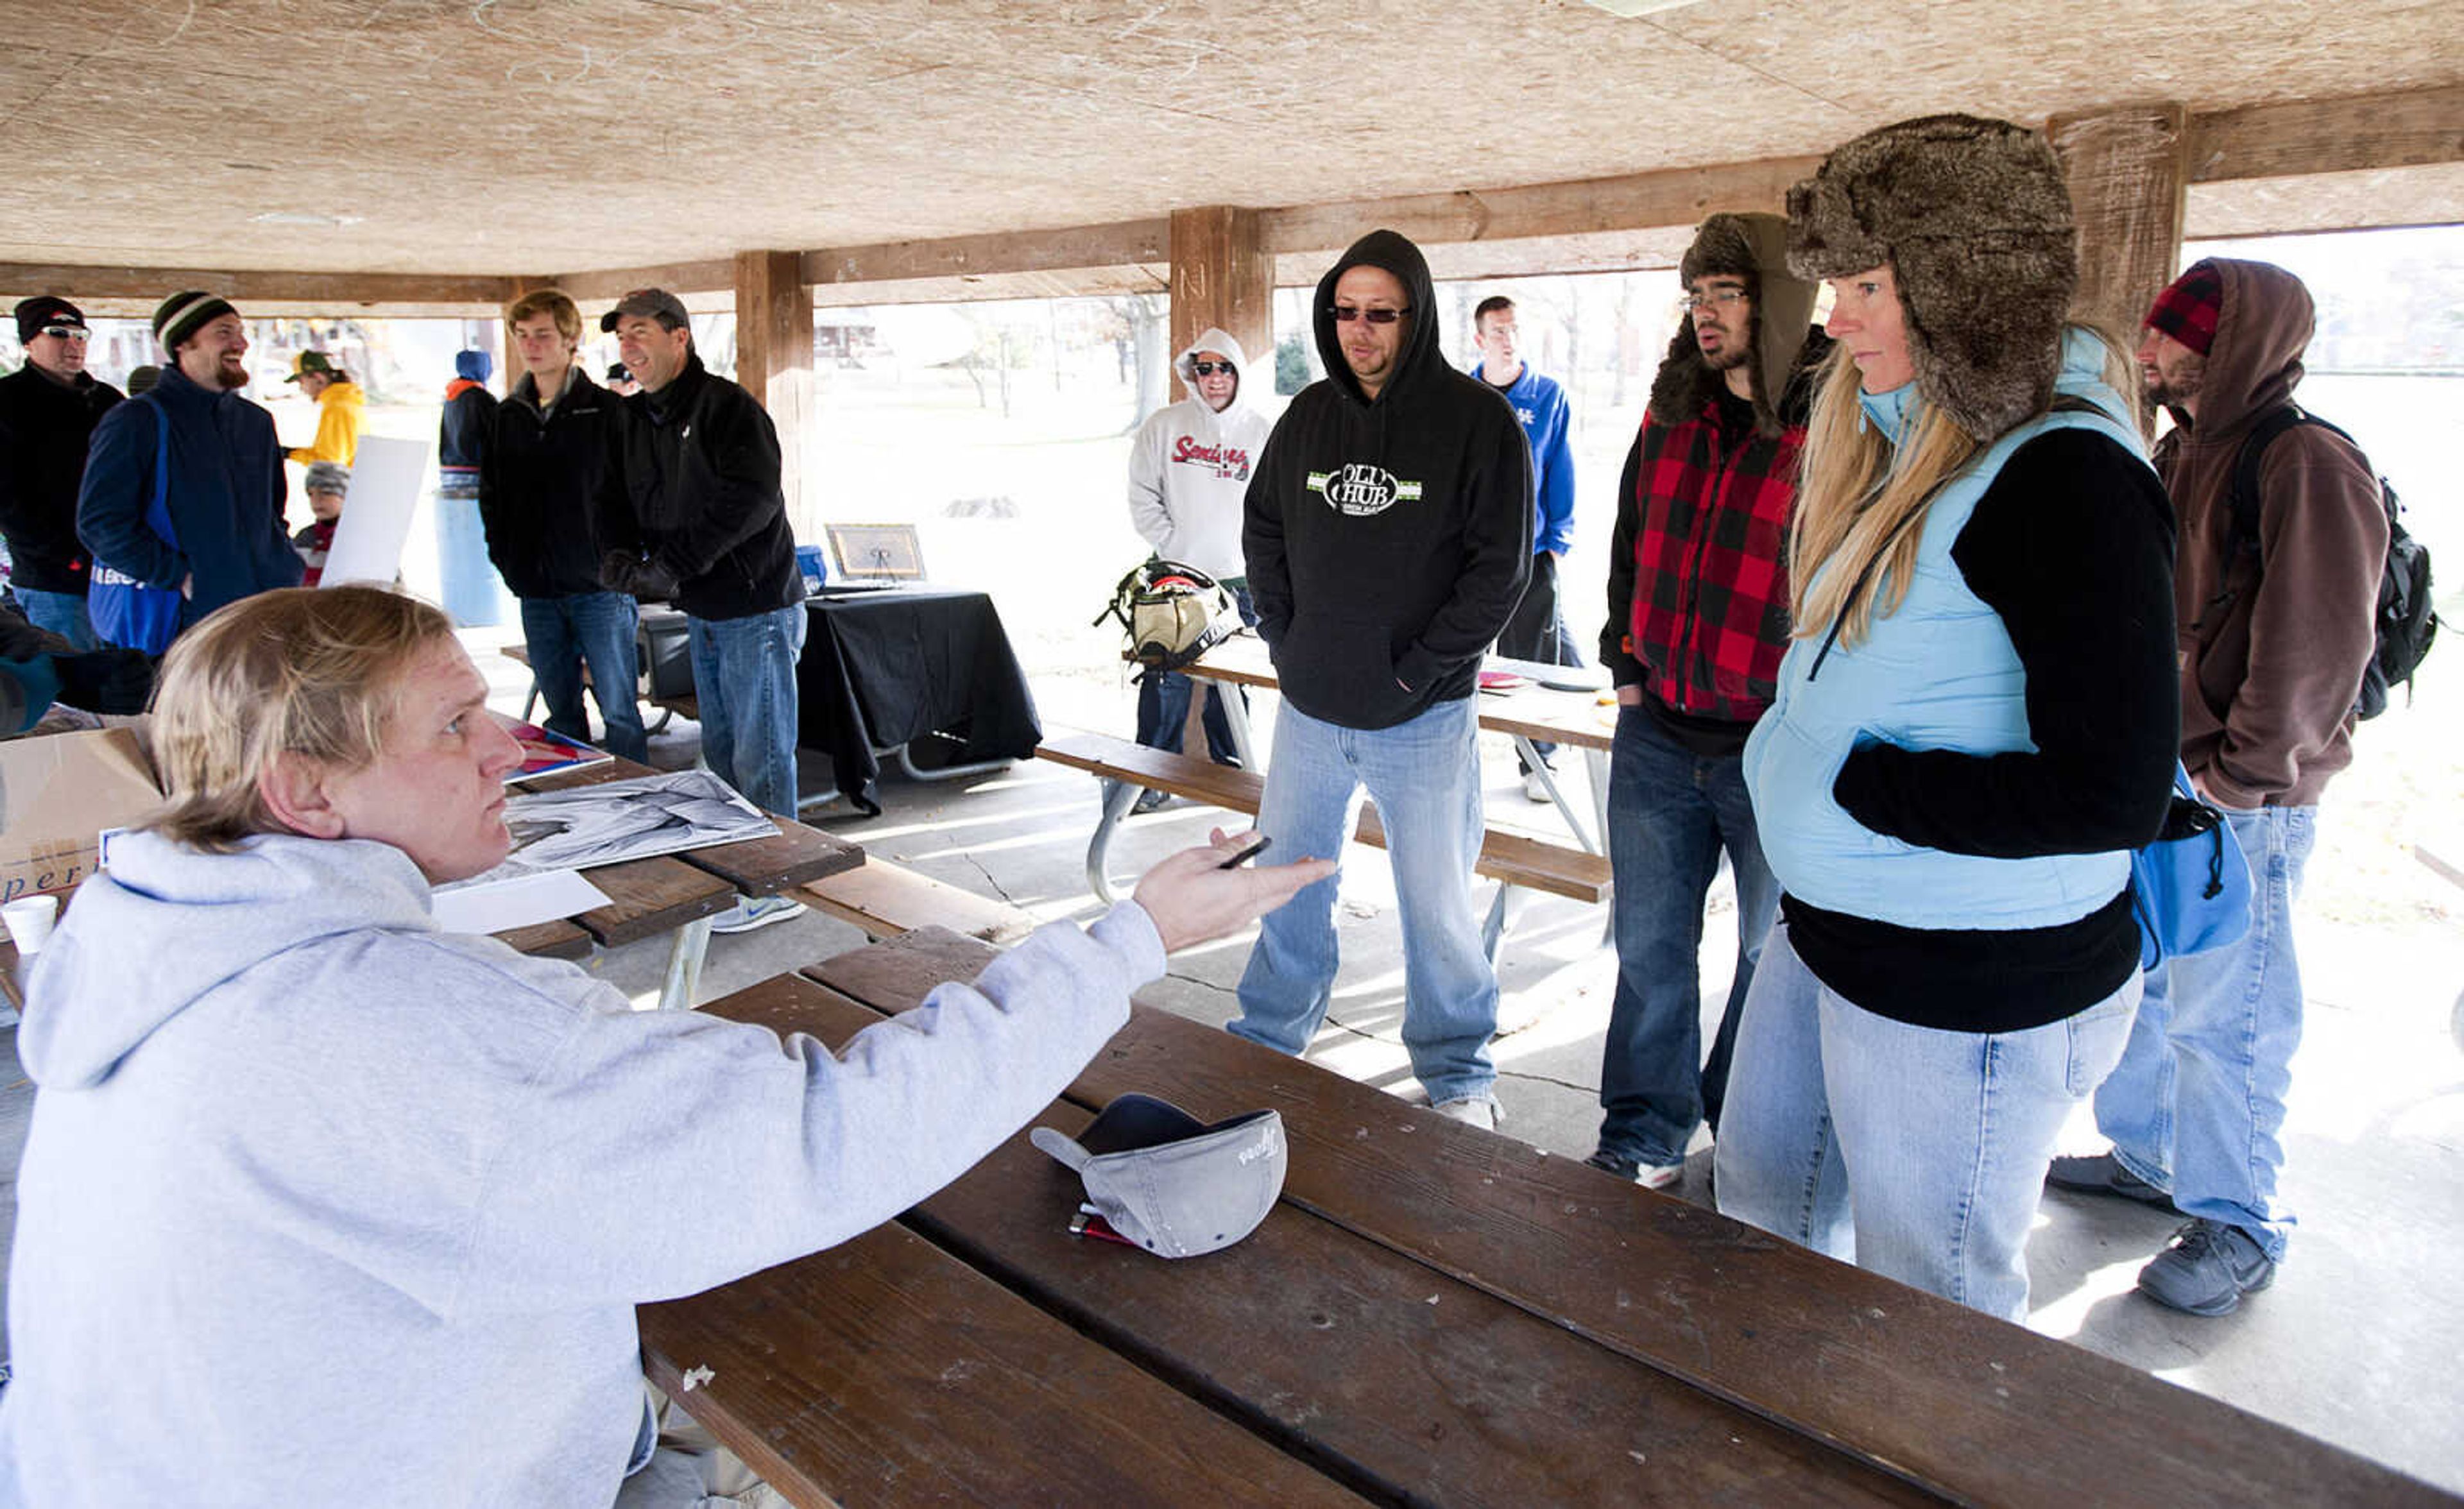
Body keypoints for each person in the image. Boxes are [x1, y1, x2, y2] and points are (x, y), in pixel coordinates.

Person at [0, 583, 1330, 1506]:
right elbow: (830, 1138)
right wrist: (1132, 938)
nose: (509, 748)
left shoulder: (145, 956)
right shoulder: (387, 1029)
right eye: (453, 726)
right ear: (307, 794)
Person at [1713, 115, 2178, 1324]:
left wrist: (1873, 794)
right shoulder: (1915, 447)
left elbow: (2114, 792)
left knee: (1932, 1310)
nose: (1833, 318)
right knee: (1761, 1216)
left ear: (1964, 284)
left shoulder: (2067, 475)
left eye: (1866, 284)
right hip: (1829, 935)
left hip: (1964, 983)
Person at [2045, 259, 2388, 1317]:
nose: (2147, 353)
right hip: (2170, 776)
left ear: (2234, 344)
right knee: (2146, 983)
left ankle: (2243, 1217)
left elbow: (2319, 641)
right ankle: (2150, 1155)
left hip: (2245, 798)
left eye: (2173, 337)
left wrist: (2242, 775)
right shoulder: (2187, 448)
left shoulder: (2305, 460)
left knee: (2229, 1010)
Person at [1231, 228, 1532, 1130]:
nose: (1360, 331)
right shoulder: (1309, 417)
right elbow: (1265, 532)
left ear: (1417, 315)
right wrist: (1285, 640)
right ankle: (1269, 1040)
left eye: (1381, 315)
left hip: (1424, 719)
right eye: (1345, 313)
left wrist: (1418, 673)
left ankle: (1457, 1073)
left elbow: (1500, 572)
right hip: (1311, 714)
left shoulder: (1478, 424)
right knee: (1286, 882)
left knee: (1436, 903)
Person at [1586, 213, 1815, 1190]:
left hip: (1772, 746)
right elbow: (1630, 536)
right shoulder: (1671, 410)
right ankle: (1642, 1132)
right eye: (1697, 296)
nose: (1706, 314)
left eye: (1727, 293)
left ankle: (1743, 1132)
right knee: (1649, 951)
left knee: (1771, 957)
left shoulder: (1834, 422)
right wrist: (1622, 661)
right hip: (1657, 735)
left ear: (1781, 305)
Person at [593, 289, 807, 933]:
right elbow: (615, 499)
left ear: (678, 338)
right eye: (621, 338)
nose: (629, 348)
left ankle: (780, 880)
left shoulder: (726, 409)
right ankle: (742, 865)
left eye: (640, 334)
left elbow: (752, 499)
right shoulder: (637, 419)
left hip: (756, 605)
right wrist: (619, 554)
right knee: (720, 748)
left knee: (761, 751)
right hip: (703, 608)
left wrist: (673, 564)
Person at [483, 289, 647, 762]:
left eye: (543, 335)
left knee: (619, 712)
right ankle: (581, 803)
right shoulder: (506, 416)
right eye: (522, 336)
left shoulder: (606, 411)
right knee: (561, 713)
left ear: (570, 340)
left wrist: (621, 562)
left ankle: (637, 804)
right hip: (536, 589)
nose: (531, 345)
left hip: (600, 588)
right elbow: (491, 499)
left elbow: (635, 493)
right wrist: (509, 562)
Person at [78, 291, 305, 634]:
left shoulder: (256, 422)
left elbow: (273, 513)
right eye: (224, 332)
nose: (241, 344)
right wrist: (179, 577)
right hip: (186, 624)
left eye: (241, 332)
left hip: (265, 610)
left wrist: (283, 563)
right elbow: (100, 522)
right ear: (183, 343)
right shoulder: (137, 420)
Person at [1124, 327, 1270, 805]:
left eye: (1224, 367)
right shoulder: (1164, 426)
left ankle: (1233, 777)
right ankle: (1151, 780)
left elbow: (1276, 506)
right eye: (1203, 368)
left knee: (1235, 686)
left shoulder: (1262, 431)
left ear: (1238, 373)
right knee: (1165, 681)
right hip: (1175, 579)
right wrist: (1171, 541)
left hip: (1241, 580)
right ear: (1192, 374)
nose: (1213, 378)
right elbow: (1142, 493)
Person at [1469, 294, 1580, 800]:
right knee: (1463, 660)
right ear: (1479, 339)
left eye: (1514, 329)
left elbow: (1560, 469)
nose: (1508, 339)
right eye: (1497, 330)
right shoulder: (1463, 396)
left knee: (1532, 662)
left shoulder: (1548, 395)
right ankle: (1455, 761)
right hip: (1470, 556)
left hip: (1531, 554)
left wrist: (1556, 541)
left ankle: (1540, 762)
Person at [0, 297, 123, 650]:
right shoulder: (8, 402)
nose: (74, 344)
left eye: (81, 334)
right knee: (76, 687)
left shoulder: (108, 401)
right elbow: (8, 502)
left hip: (117, 572)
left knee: (130, 682)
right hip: (52, 580)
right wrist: (63, 556)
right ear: (28, 342)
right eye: (58, 333)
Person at [436, 348, 503, 627]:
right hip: (476, 474)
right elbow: (496, 436)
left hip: (450, 476)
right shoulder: (479, 398)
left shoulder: (452, 397)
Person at [284, 349, 365, 466]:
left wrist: (291, 454)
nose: (301, 389)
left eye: (301, 382)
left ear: (318, 378)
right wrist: (291, 453)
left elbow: (329, 462)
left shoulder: (337, 409)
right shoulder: (347, 402)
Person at [293, 460, 348, 585]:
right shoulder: (305, 537)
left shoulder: (357, 539)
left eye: (326, 492)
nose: (316, 500)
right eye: (311, 494)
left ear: (346, 495)